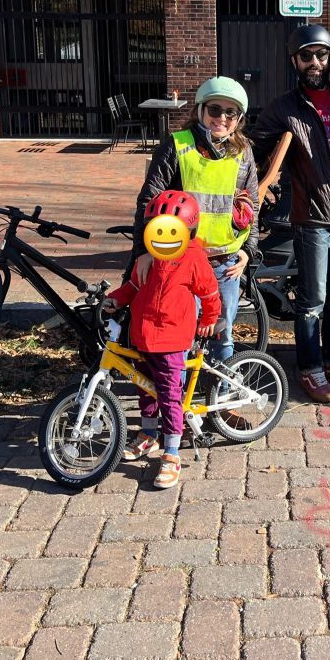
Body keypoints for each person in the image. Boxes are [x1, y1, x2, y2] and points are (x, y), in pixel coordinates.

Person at [251, 24, 330, 403]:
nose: (315, 63)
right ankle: (310, 368)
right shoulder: (283, 109)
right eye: (306, 55)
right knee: (313, 300)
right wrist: (259, 185)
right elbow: (253, 152)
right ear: (295, 60)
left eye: (321, 55)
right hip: (312, 219)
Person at [130, 76, 259, 363]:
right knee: (180, 336)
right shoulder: (176, 146)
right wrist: (143, 251)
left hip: (225, 264)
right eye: (214, 110)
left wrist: (248, 250)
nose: (221, 118)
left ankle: (219, 397)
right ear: (200, 110)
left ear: (239, 118)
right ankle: (178, 400)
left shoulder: (243, 152)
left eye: (230, 113)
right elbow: (148, 201)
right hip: (182, 262)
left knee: (222, 334)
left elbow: (252, 205)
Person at [106, 190, 221, 489]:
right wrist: (116, 300)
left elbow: (209, 293)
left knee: (170, 396)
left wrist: (209, 320)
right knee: (144, 387)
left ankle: (171, 452)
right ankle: (148, 434)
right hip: (143, 335)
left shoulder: (194, 258)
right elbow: (132, 285)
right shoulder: (148, 258)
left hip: (172, 338)